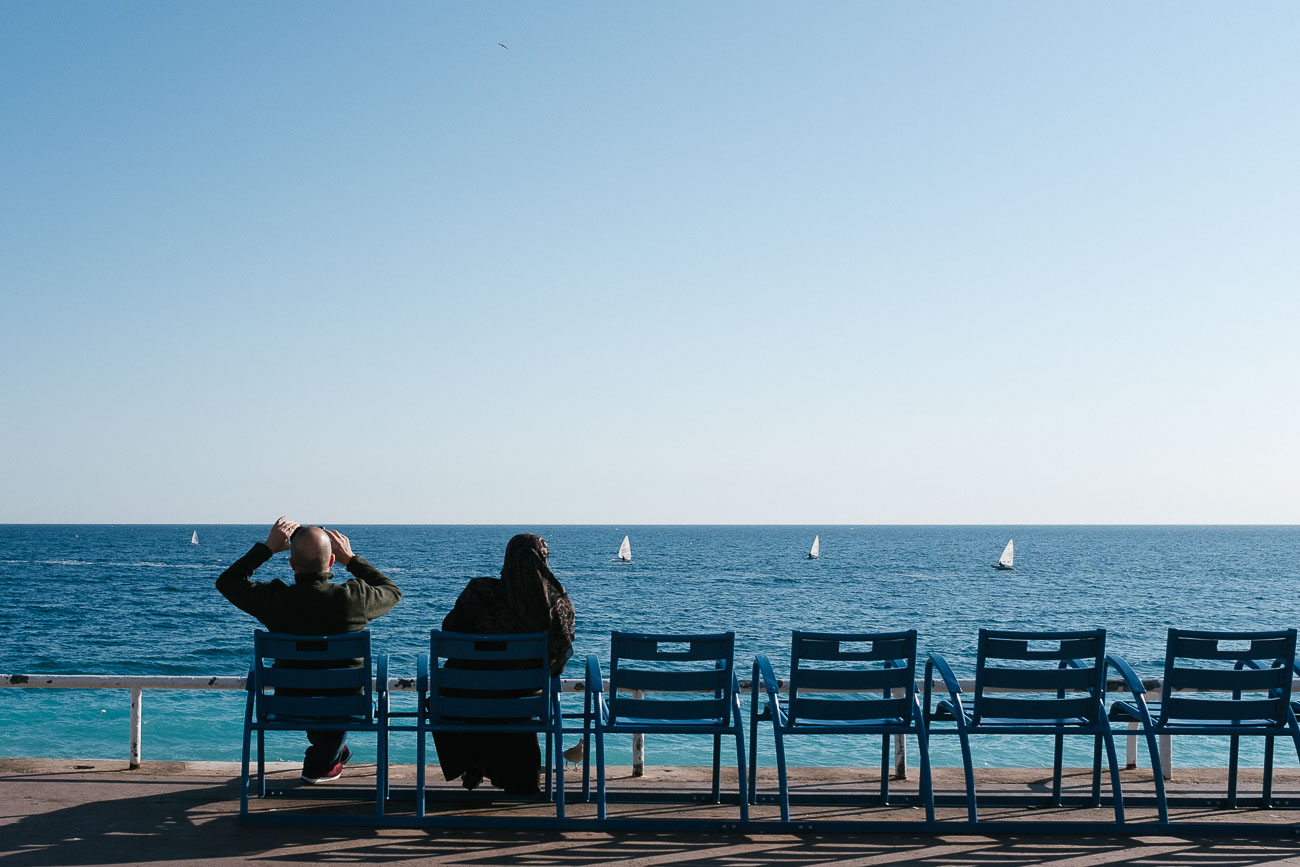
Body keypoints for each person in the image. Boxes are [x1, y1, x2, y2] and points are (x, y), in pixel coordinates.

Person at [217, 516, 401, 783]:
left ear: (291, 565)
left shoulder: (275, 600)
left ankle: (329, 756)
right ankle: (324, 762)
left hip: (289, 702)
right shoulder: (354, 599)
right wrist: (352, 559)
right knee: (333, 692)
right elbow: (392, 591)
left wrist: (267, 548)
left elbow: (227, 582)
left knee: (315, 689)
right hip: (346, 704)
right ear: (331, 562)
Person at [433, 533, 575, 794]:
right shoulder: (556, 607)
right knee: (506, 699)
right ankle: (491, 766)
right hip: (525, 701)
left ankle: (474, 761)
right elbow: (559, 663)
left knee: (441, 695)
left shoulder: (481, 594)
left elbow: (449, 629)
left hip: (468, 699)